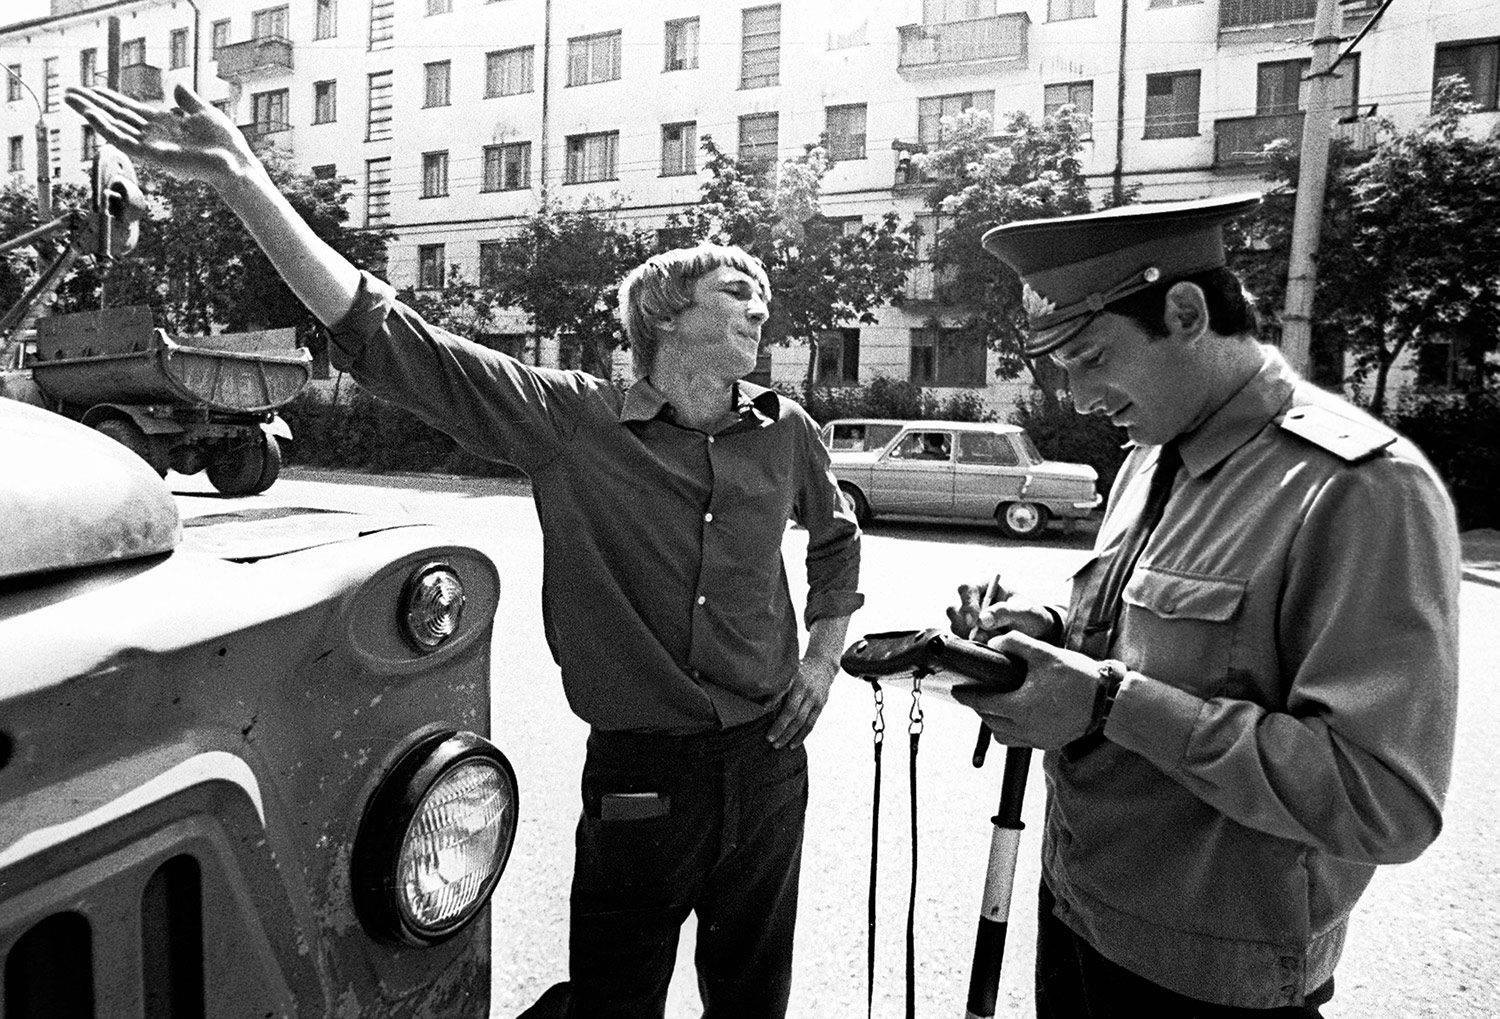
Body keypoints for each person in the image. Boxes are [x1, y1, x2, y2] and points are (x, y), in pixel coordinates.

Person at [65, 83, 862, 1018]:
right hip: (646, 776)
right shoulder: (576, 424)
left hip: (771, 763)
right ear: (668, 315)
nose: (761, 307)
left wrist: (823, 653)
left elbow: (837, 540)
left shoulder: (786, 428)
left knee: (756, 992)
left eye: (763, 294)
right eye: (738, 291)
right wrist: (244, 179)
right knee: (615, 997)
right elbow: (396, 342)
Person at [945, 194, 1460, 1016]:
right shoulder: (1149, 456)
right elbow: (1139, 635)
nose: (1077, 398)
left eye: (1089, 358)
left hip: (1212, 976)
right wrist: (1044, 631)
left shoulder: (1358, 488)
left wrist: (1111, 701)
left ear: (1185, 313)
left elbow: (1382, 800)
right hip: (1081, 909)